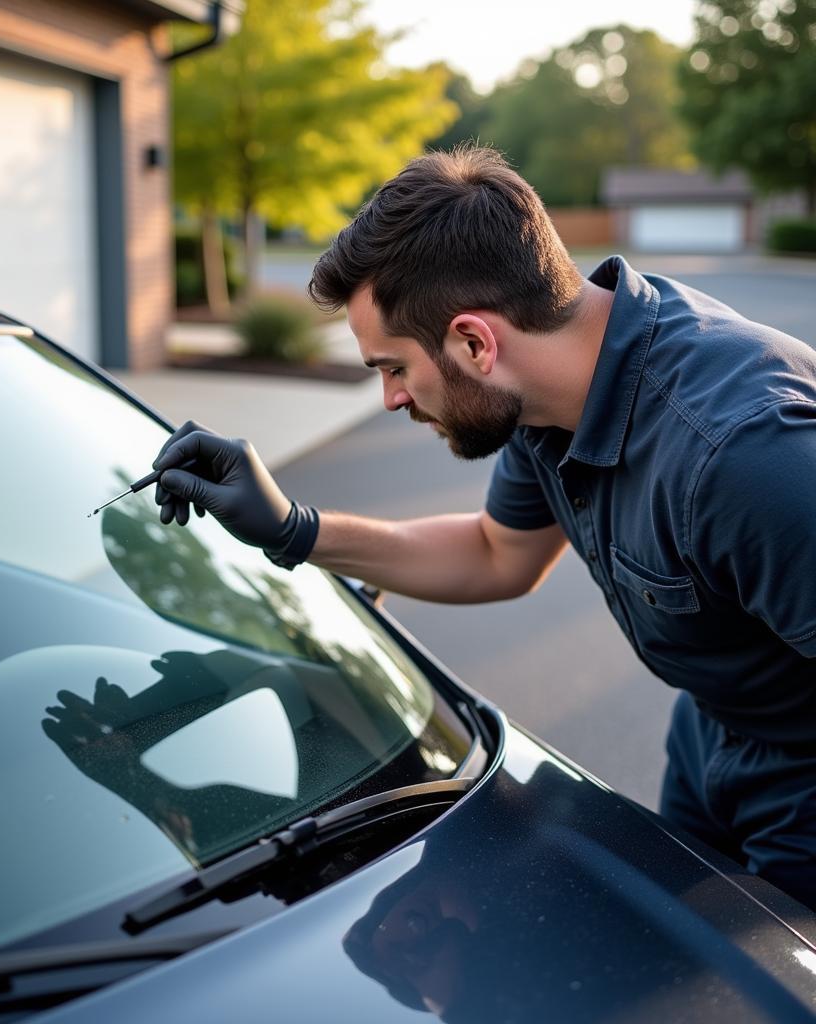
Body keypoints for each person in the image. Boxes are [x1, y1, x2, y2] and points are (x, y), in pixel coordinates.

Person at [150, 144, 816, 910]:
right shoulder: (551, 389)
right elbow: (498, 554)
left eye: (393, 368)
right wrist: (292, 527)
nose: (394, 399)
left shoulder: (743, 457)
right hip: (711, 733)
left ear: (474, 341)